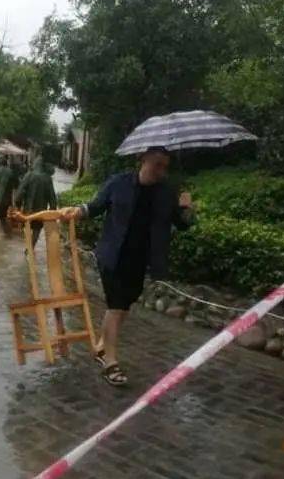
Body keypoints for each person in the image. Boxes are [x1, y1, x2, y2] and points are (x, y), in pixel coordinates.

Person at [61, 147, 195, 386]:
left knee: (124, 306)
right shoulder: (119, 183)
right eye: (157, 164)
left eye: (165, 166)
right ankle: (110, 362)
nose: (161, 171)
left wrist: (186, 207)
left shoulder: (166, 192)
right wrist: (76, 211)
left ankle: (102, 347)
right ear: (142, 160)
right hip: (113, 256)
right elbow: (95, 206)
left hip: (141, 259)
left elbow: (183, 225)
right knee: (116, 306)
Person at [15, 155, 59, 248]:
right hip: (40, 213)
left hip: (27, 211)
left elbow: (19, 194)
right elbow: (52, 199)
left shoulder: (28, 175)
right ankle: (30, 250)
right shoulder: (47, 178)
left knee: (26, 229)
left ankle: (27, 250)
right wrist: (52, 215)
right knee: (36, 231)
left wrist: (18, 207)